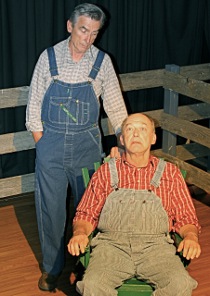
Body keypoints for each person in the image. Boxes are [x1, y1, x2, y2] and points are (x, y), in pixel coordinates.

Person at [25, 3, 127, 292]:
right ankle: (52, 268)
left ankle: (88, 266)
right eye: (83, 30)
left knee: (91, 209)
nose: (88, 39)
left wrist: (123, 143)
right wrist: (42, 144)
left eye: (95, 33)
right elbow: (33, 107)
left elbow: (116, 107)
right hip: (51, 147)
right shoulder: (48, 59)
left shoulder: (102, 62)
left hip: (87, 146)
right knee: (51, 210)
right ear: (70, 26)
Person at [68, 113, 201, 296]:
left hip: (157, 249)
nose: (136, 134)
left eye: (142, 129)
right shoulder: (106, 172)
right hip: (112, 248)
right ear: (122, 138)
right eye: (130, 129)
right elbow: (86, 214)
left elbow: (186, 217)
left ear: (153, 138)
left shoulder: (170, 174)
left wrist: (191, 237)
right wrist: (80, 233)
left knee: (181, 284)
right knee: (92, 285)